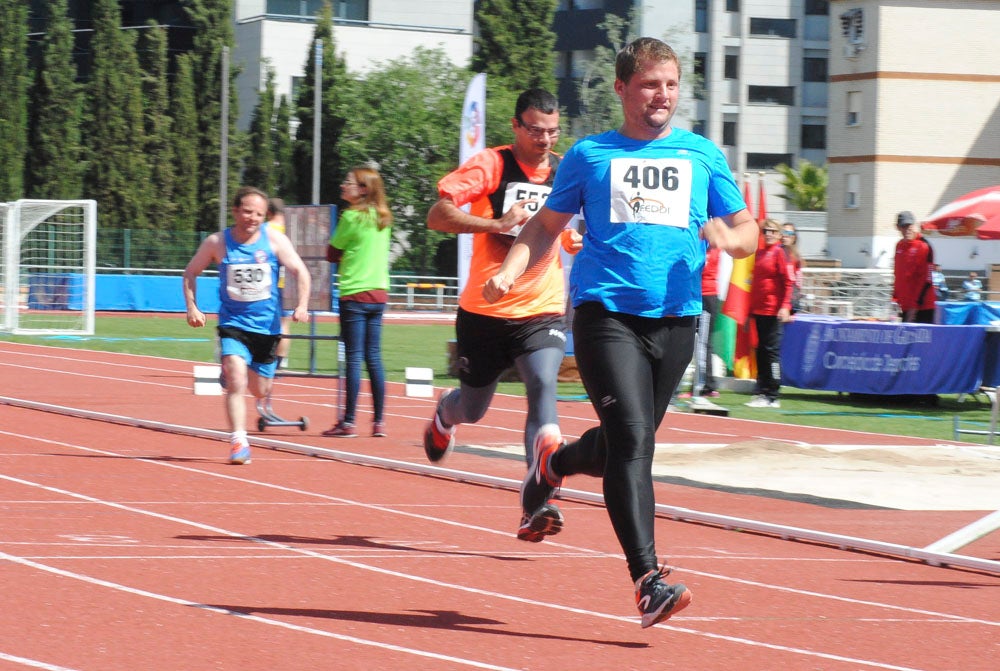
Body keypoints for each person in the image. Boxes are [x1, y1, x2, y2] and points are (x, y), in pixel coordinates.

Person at [483, 37, 759, 628]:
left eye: (671, 84)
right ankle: (648, 580)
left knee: (619, 447)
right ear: (622, 90)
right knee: (635, 442)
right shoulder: (590, 156)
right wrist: (509, 271)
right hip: (607, 314)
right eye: (650, 84)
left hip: (677, 320)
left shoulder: (701, 155)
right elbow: (543, 228)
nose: (662, 95)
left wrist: (728, 240)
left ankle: (553, 464)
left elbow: (747, 231)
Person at [422, 87, 582, 543]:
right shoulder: (492, 165)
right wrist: (497, 224)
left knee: (543, 383)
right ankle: (444, 417)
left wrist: (574, 240)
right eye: (535, 130)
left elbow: (568, 229)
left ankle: (537, 505)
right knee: (473, 409)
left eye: (552, 132)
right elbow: (438, 215)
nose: (545, 140)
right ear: (515, 126)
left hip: (542, 308)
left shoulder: (567, 169)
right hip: (485, 310)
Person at [183, 186, 311, 464]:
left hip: (266, 327)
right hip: (233, 324)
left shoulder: (275, 241)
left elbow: (300, 271)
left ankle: (244, 373)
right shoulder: (217, 242)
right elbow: (191, 272)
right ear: (235, 211)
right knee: (236, 380)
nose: (252, 218)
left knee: (260, 390)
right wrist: (192, 307)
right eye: (247, 212)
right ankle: (238, 441)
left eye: (259, 214)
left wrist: (302, 305)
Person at [322, 165, 393, 439]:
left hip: (354, 291)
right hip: (379, 292)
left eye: (348, 182)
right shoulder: (384, 217)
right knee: (373, 356)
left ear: (363, 189)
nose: (343, 185)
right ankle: (379, 422)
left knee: (353, 356)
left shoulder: (351, 217)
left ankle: (349, 421)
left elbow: (331, 252)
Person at [745, 220, 795, 409]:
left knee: (771, 353)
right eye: (765, 231)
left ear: (778, 234)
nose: (768, 234)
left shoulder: (779, 253)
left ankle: (773, 394)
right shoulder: (759, 254)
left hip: (773, 311)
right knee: (761, 352)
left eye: (772, 231)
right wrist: (750, 312)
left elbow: (788, 282)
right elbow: (755, 285)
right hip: (759, 311)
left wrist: (785, 306)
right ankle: (762, 391)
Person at [680, 244, 720, 399]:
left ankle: (705, 385)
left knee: (703, 343)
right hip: (692, 296)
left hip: (706, 296)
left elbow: (700, 269)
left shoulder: (712, 250)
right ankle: (701, 384)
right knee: (692, 343)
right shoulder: (697, 246)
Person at [266, 198, 294, 368]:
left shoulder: (266, 229)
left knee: (266, 321)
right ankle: (281, 361)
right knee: (285, 323)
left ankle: (265, 358)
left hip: (271, 282)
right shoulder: (291, 229)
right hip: (288, 281)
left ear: (268, 212)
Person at [781, 223, 805, 314]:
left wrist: (791, 303)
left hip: (789, 302)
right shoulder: (776, 252)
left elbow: (797, 283)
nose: (785, 236)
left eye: (789, 233)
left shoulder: (796, 258)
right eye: (783, 232)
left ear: (794, 237)